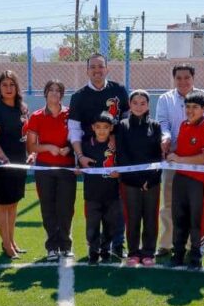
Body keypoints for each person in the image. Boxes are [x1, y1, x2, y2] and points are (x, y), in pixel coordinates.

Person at [68, 53, 129, 257]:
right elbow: (74, 129)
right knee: (94, 206)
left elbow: (127, 120)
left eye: (100, 66)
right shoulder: (78, 96)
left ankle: (118, 245)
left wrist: (116, 138)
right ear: (87, 71)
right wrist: (80, 156)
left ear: (107, 69)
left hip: (117, 155)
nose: (97, 70)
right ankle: (95, 247)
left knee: (117, 206)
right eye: (93, 67)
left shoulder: (119, 90)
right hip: (91, 157)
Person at [155, 64, 204, 257]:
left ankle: (194, 245)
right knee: (168, 204)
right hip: (172, 158)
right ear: (174, 79)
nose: (183, 81)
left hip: (198, 161)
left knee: (196, 206)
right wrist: (166, 138)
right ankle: (166, 244)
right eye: (179, 78)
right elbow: (162, 123)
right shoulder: (165, 99)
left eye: (187, 77)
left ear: (193, 78)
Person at [166, 90, 204, 269]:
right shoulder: (183, 125)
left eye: (195, 107)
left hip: (198, 181)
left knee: (196, 219)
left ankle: (196, 256)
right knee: (178, 216)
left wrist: (179, 159)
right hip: (180, 177)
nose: (190, 110)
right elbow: (181, 151)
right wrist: (170, 154)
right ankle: (178, 254)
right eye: (187, 107)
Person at [26, 80, 76, 261]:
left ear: (62, 94)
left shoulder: (70, 114)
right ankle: (52, 246)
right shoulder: (36, 116)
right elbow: (31, 146)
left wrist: (69, 148)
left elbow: (78, 139)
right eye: (51, 90)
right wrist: (49, 148)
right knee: (48, 207)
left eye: (58, 90)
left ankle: (66, 245)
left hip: (66, 168)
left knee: (66, 208)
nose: (54, 93)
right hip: (44, 168)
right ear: (45, 93)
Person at [114, 89, 163, 266]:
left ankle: (148, 252)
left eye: (143, 103)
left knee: (150, 217)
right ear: (129, 104)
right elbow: (122, 155)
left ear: (148, 105)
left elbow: (158, 156)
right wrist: (137, 180)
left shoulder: (155, 126)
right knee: (132, 217)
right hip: (130, 182)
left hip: (152, 182)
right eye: (135, 103)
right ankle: (133, 252)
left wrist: (150, 179)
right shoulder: (122, 126)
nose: (139, 106)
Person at [0, 71, 28, 259]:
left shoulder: (22, 108)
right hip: (2, 163)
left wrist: (29, 154)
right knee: (3, 204)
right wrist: (4, 158)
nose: (9, 88)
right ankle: (6, 244)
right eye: (4, 85)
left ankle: (11, 240)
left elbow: (26, 135)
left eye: (12, 84)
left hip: (19, 162)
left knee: (14, 202)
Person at [81, 113, 122, 264]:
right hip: (92, 195)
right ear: (93, 128)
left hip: (112, 195)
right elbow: (79, 165)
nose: (102, 130)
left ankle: (106, 251)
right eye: (98, 127)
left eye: (105, 127)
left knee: (110, 225)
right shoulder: (86, 145)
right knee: (92, 226)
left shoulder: (116, 146)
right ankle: (93, 252)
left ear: (111, 128)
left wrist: (119, 173)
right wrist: (78, 168)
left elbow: (123, 166)